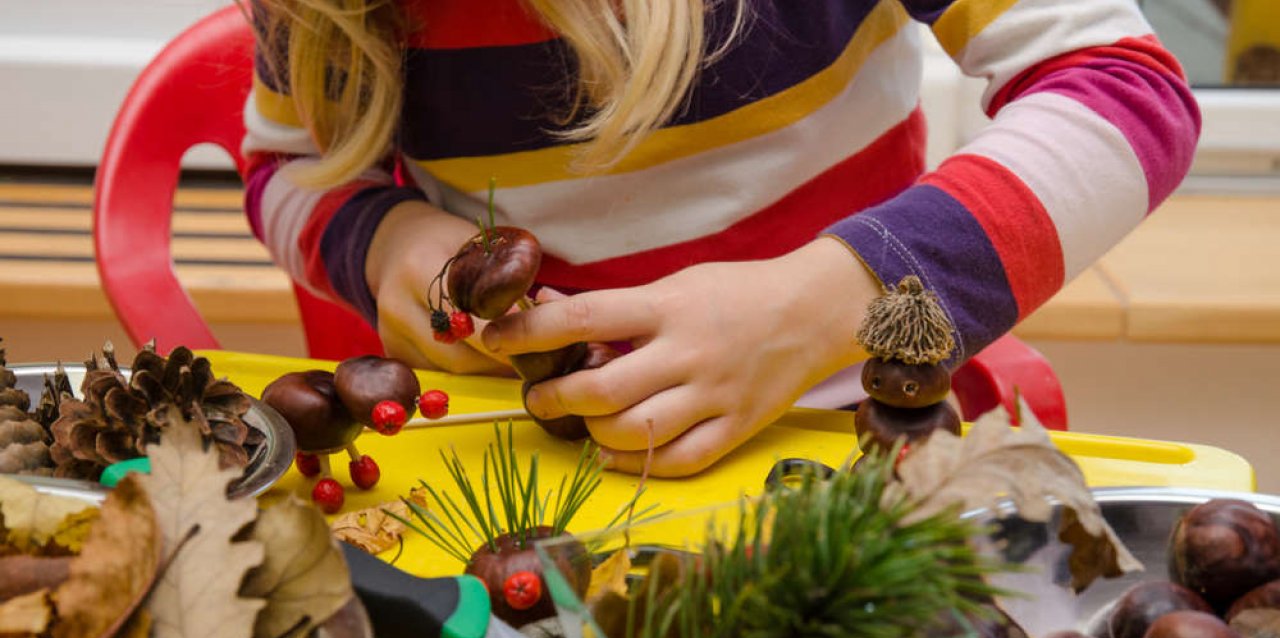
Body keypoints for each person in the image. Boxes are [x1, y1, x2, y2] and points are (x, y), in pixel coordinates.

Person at [242, 0, 1200, 477]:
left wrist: (833, 302)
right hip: (524, 468)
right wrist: (382, 238)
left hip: (854, 445)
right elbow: (282, 166)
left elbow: (1125, 88)